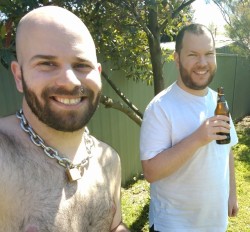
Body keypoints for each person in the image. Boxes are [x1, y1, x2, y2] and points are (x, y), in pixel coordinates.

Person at [0, 6, 129, 232]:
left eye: (82, 65)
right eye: (47, 64)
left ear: (98, 74)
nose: (70, 81)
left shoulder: (109, 160)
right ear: (19, 76)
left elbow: (114, 226)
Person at [140, 24, 238, 232]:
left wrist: (232, 194)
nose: (202, 63)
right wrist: (198, 138)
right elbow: (151, 171)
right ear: (177, 59)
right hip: (174, 225)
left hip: (214, 224)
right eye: (193, 54)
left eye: (209, 54)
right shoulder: (160, 107)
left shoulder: (218, 102)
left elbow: (226, 151)